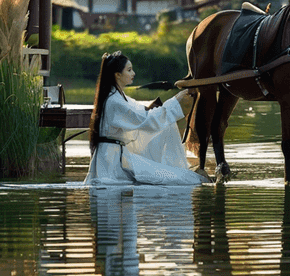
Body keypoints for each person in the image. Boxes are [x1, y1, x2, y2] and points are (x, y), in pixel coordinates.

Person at [84, 51, 210, 185]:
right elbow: (145, 119)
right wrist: (176, 101)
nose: (133, 73)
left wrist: (172, 103)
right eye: (129, 70)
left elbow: (141, 111)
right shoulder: (114, 100)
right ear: (118, 75)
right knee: (177, 179)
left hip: (118, 155)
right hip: (112, 161)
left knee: (174, 176)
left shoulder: (118, 97)